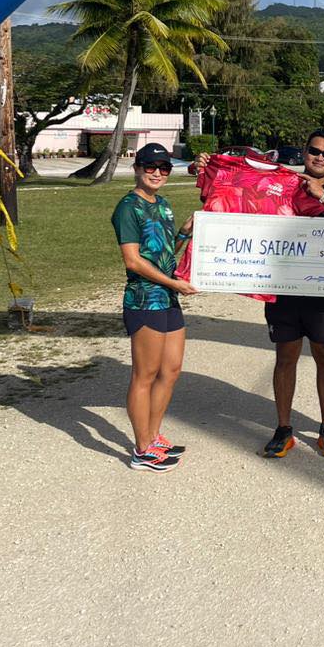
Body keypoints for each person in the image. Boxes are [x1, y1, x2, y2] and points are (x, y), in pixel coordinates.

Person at [193, 131, 324, 459]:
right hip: (283, 287)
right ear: (305, 151)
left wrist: (323, 196)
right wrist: (205, 167)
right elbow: (235, 189)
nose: (320, 158)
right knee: (286, 356)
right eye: (314, 151)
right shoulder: (283, 181)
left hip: (322, 288)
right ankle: (284, 427)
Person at [113, 142, 197, 473]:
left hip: (168, 297)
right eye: (151, 167)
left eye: (164, 168)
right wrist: (173, 282)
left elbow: (164, 254)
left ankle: (153, 434)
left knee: (171, 370)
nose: (158, 173)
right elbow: (133, 260)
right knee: (144, 374)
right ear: (138, 168)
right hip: (145, 299)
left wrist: (185, 233)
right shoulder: (128, 207)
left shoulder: (162, 205)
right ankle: (142, 449)